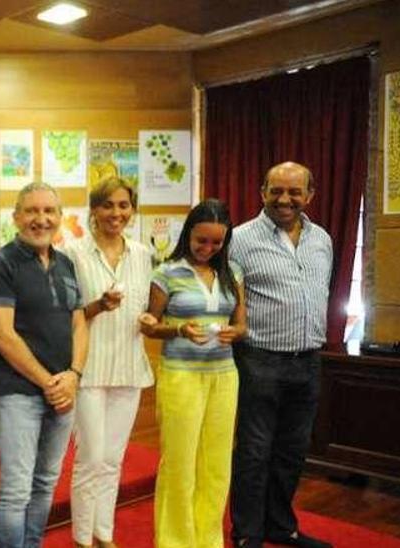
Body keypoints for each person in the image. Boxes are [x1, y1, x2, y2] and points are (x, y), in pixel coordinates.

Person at [228, 162, 334, 548]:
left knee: (293, 450)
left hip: (308, 360)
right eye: (276, 191)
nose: (285, 199)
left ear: (310, 195)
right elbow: (231, 301)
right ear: (262, 192)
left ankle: (281, 526)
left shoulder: (322, 239)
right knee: (254, 451)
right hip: (260, 360)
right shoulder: (239, 239)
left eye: (294, 192)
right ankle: (247, 533)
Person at [138, 198, 247, 548]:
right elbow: (150, 327)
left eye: (217, 242)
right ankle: (174, 541)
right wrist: (179, 330)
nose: (208, 248)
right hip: (181, 375)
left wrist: (236, 333)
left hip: (224, 375)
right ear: (188, 234)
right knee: (179, 464)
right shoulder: (166, 273)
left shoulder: (233, 273)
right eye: (201, 240)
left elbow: (242, 325)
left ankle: (208, 540)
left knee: (216, 464)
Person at [0, 182, 89, 548]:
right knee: (16, 490)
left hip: (63, 390)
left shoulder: (66, 263)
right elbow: (2, 335)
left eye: (49, 211)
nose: (41, 219)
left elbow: (79, 322)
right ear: (16, 217)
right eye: (31, 211)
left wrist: (74, 376)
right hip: (17, 393)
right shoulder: (0, 263)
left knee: (46, 481)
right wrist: (50, 382)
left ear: (60, 218)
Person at [60, 178, 153, 548]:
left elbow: (147, 307)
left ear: (132, 209)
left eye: (124, 205)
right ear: (94, 210)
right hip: (88, 371)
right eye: (108, 205)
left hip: (129, 368)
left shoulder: (143, 253)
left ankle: (105, 534)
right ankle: (82, 539)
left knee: (113, 460)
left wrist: (150, 319)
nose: (117, 213)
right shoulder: (72, 253)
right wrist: (97, 306)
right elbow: (64, 314)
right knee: (91, 459)